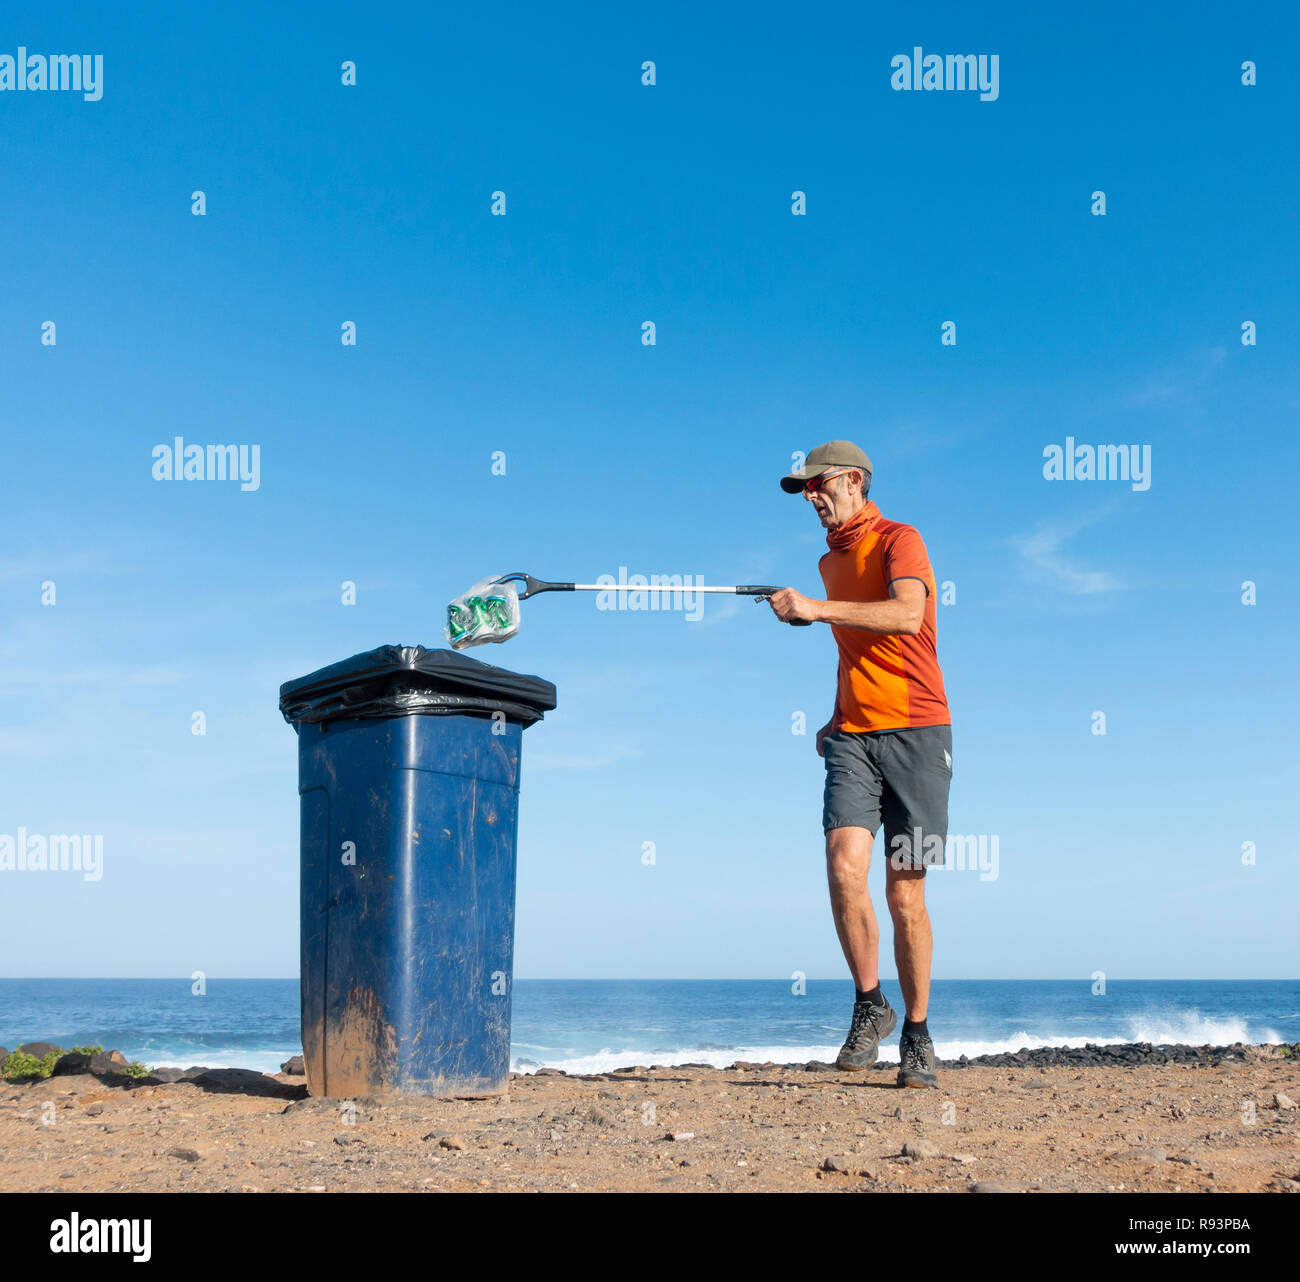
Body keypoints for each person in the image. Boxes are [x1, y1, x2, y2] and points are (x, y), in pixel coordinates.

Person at [767, 441, 952, 1089]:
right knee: (845, 869)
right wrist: (834, 714)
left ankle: (919, 1034)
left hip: (919, 733)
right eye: (803, 492)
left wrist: (817, 610)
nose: (811, 498)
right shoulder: (827, 561)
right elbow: (854, 653)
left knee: (906, 894)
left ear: (851, 479)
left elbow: (907, 616)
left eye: (817, 486)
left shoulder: (901, 539)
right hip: (852, 736)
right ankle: (871, 1004)